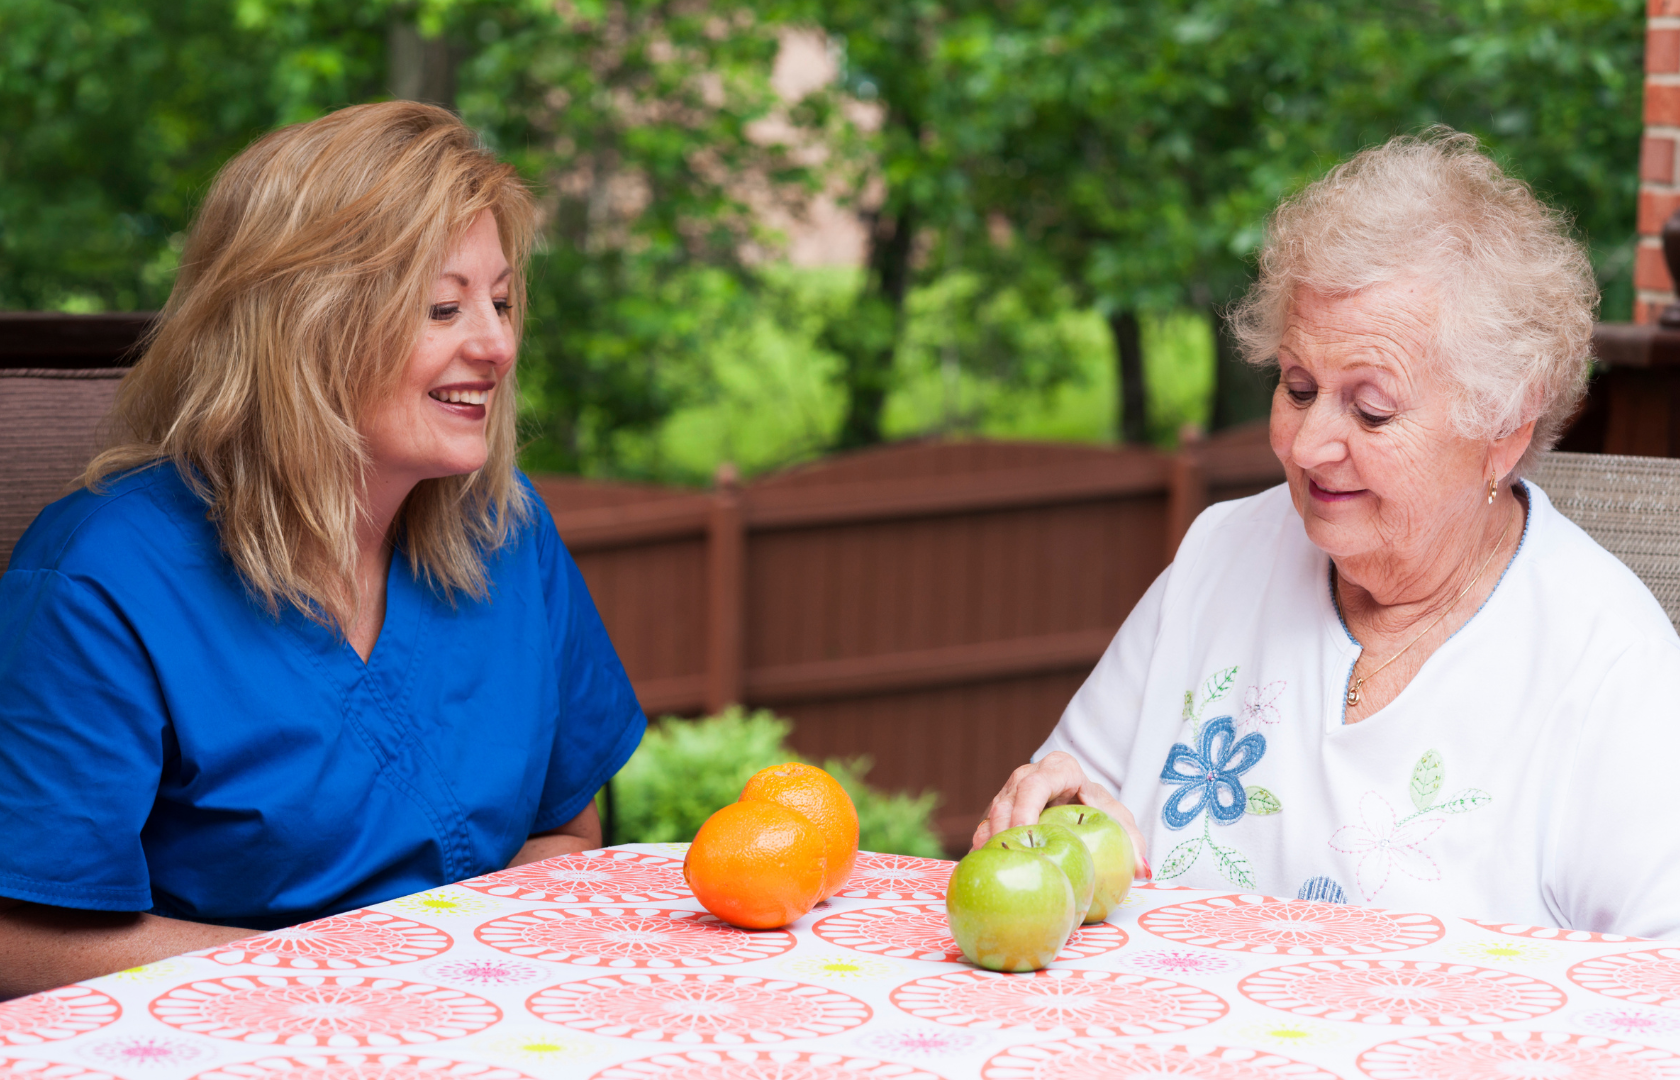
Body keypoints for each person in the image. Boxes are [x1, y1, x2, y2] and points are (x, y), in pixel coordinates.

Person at [0, 102, 645, 996]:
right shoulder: (99, 579)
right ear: (303, 325)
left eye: (500, 302)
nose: (496, 344)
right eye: (442, 306)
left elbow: (565, 835)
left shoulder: (508, 532)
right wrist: (353, 980)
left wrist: (468, 990)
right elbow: (19, 944)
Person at [976, 130, 1680, 938]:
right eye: (1299, 387)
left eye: (1372, 409)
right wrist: (1061, 815)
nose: (1308, 447)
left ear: (1504, 426)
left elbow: (1660, 995)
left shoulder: (1610, 671)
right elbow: (1068, 810)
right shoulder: (1219, 556)